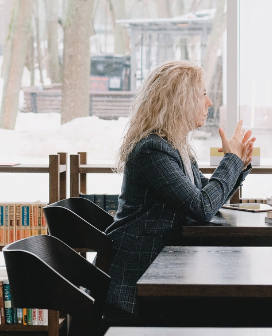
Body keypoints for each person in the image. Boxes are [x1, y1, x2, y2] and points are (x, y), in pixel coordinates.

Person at [103, 60, 255, 319]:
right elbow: (203, 206)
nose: (209, 103)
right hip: (138, 275)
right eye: (203, 94)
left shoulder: (175, 146)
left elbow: (206, 194)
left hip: (164, 265)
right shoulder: (153, 149)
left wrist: (239, 166)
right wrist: (231, 161)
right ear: (180, 100)